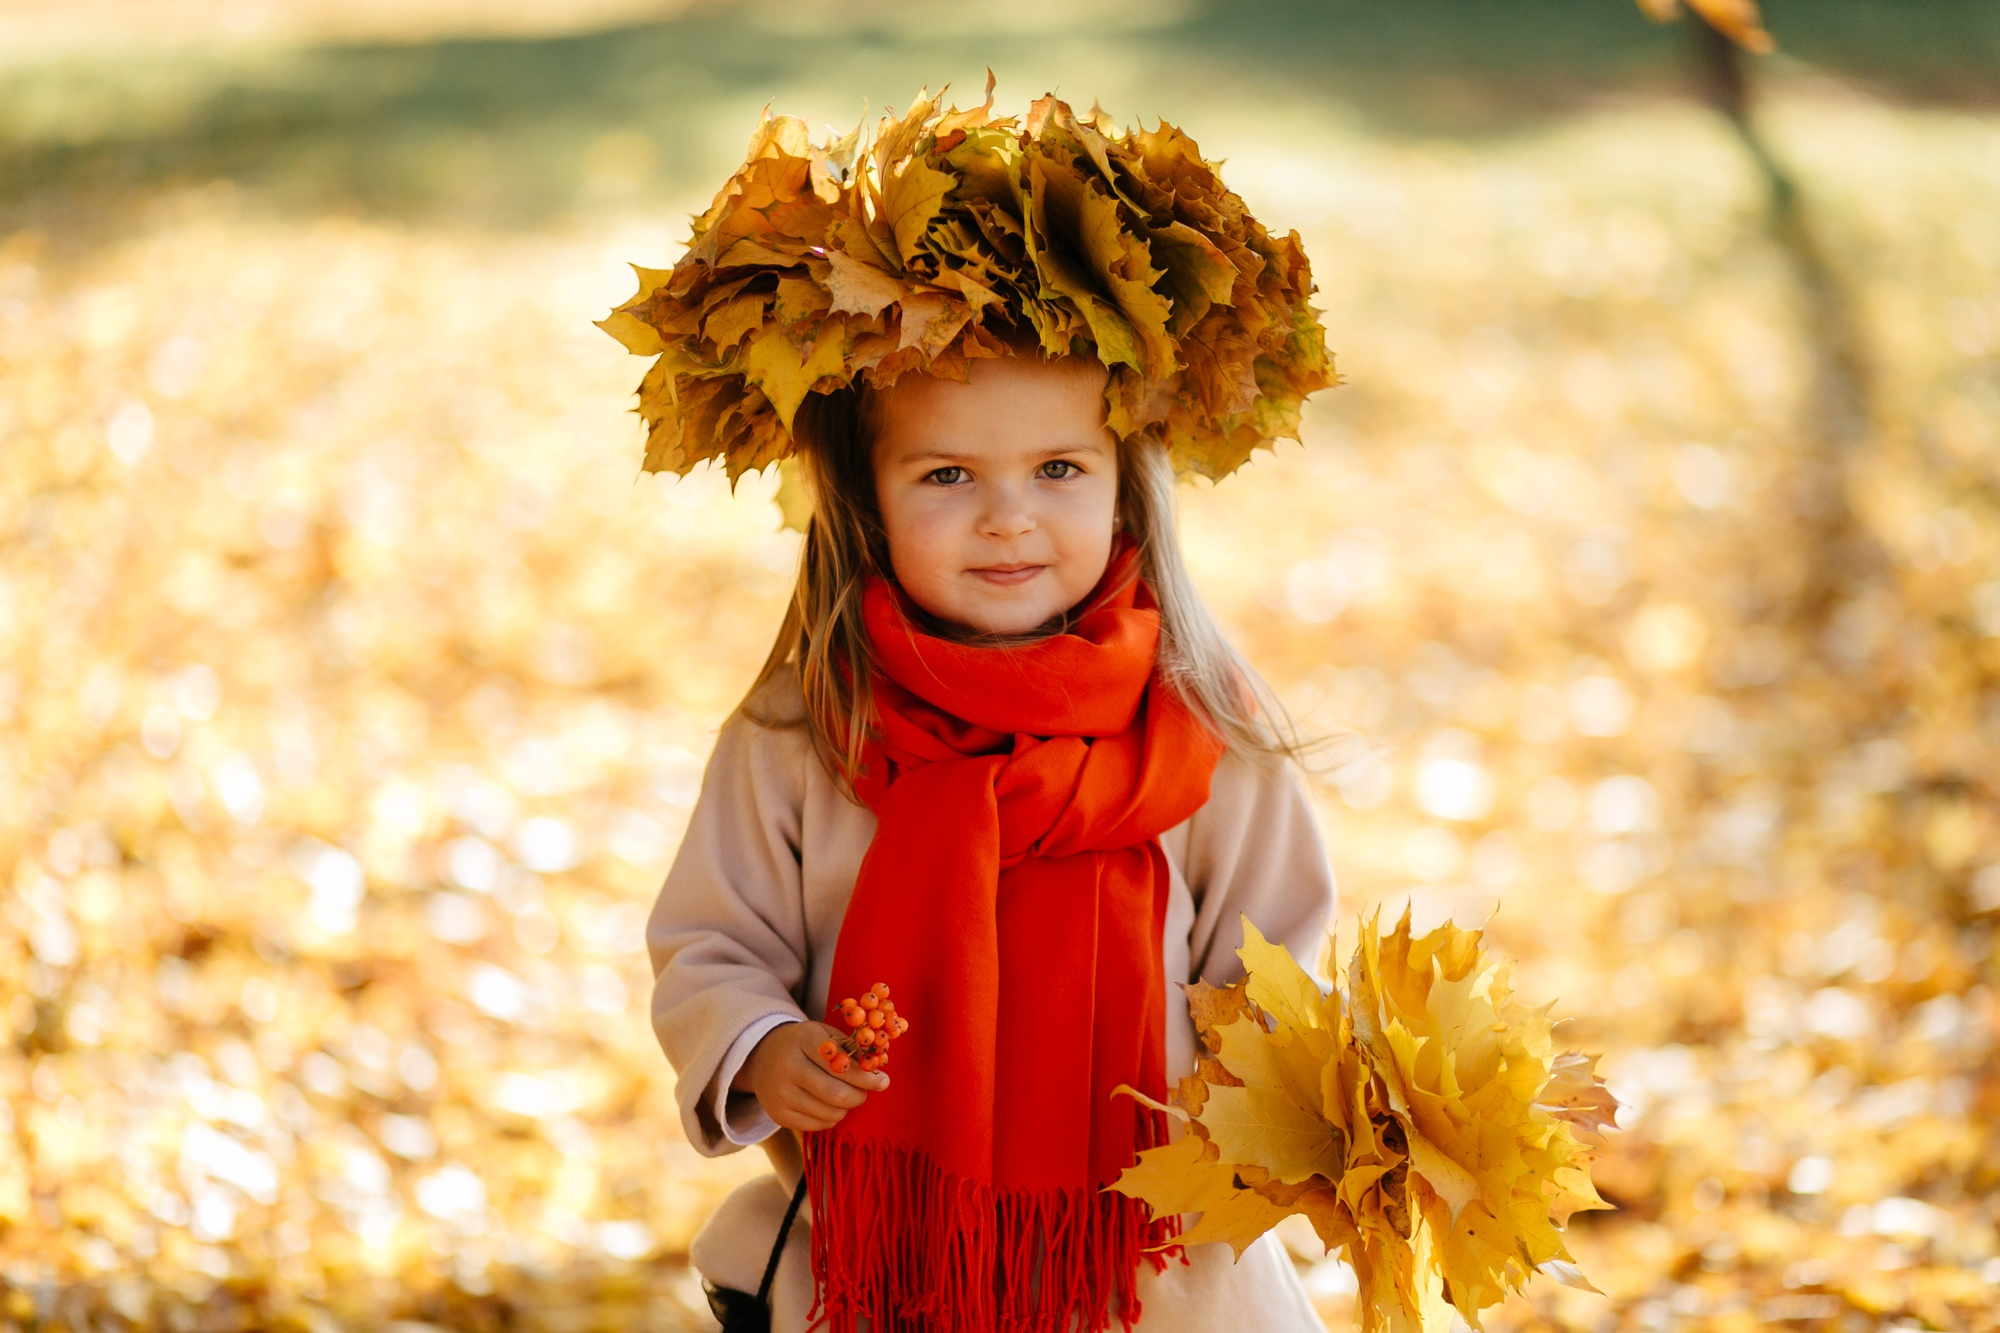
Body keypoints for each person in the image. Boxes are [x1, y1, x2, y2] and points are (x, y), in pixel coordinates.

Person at [609, 82, 1340, 1333]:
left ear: (1124, 487)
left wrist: (1258, 1086)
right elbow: (710, 940)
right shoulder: (807, 730)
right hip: (891, 1258)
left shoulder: (1198, 723)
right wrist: (761, 1046)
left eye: (1058, 469)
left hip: (1157, 1259)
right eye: (946, 475)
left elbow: (1274, 957)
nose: (1008, 515)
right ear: (866, 498)